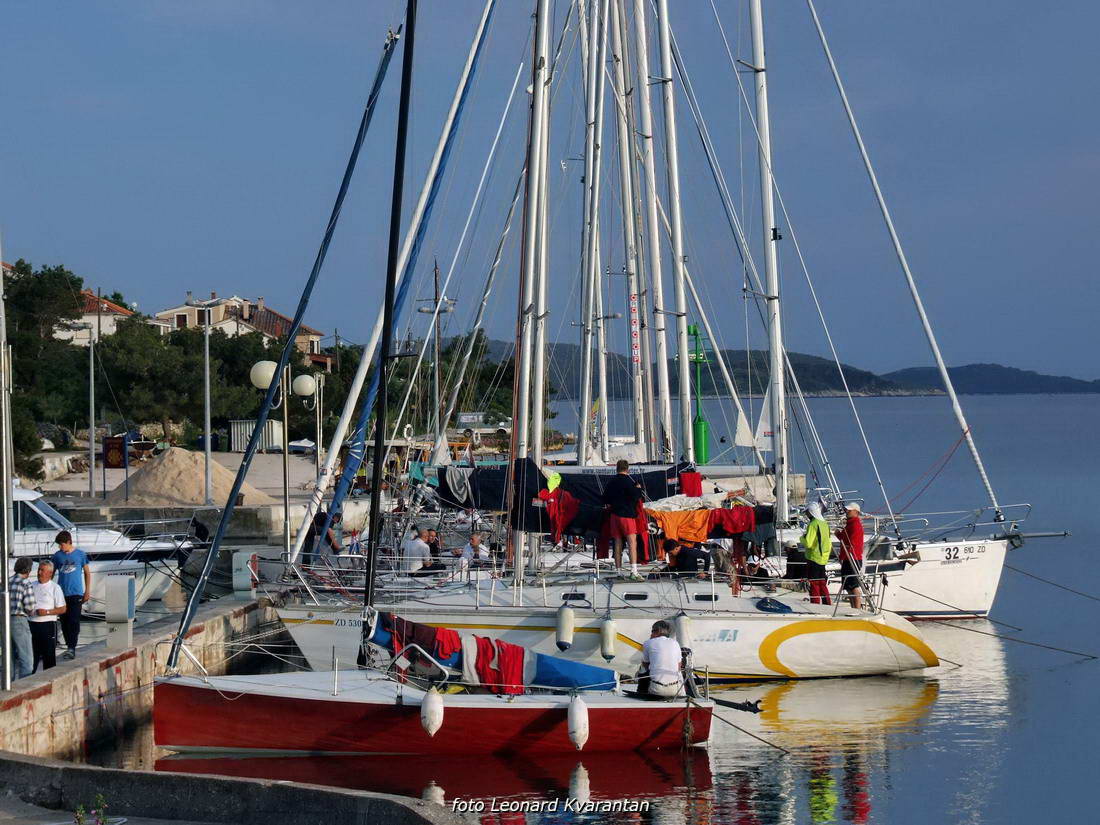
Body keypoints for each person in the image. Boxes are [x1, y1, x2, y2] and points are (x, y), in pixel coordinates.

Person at [603, 459, 645, 580]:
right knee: (632, 543)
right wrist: (638, 488)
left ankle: (619, 572)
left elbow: (605, 499)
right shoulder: (629, 482)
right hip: (627, 515)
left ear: (616, 468)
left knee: (617, 543)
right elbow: (636, 496)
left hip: (614, 516)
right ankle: (634, 572)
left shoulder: (611, 482)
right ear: (627, 469)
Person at [51, 530, 91, 660]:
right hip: (61, 593)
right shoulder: (57, 556)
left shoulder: (80, 554)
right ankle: (69, 645)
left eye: (62, 544)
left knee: (74, 621)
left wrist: (87, 591)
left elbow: (87, 573)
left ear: (69, 542)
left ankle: (72, 647)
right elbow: (51, 573)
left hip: (76, 592)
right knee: (64, 621)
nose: (60, 547)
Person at [28, 560, 66, 672]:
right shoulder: (31, 585)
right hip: (32, 624)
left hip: (48, 625)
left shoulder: (55, 588)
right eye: (39, 569)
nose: (39, 572)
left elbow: (63, 609)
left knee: (48, 656)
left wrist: (47, 612)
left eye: (42, 570)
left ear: (50, 573)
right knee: (31, 656)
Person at [6, 557, 36, 679]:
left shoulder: (7, 582)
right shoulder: (25, 583)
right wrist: (32, 611)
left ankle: (8, 686)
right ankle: (24, 685)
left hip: (5, 621)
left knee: (9, 659)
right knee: (26, 659)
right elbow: (30, 606)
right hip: (19, 620)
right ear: (28, 570)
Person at [639, 620, 683, 698]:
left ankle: (641, 692)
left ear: (658, 631)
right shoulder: (675, 643)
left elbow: (645, 664)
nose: (651, 634)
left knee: (642, 668)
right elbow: (679, 667)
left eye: (652, 631)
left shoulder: (648, 643)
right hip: (675, 690)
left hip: (657, 690)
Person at [800, 501, 832, 605]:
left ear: (811, 512)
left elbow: (808, 543)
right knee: (822, 583)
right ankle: (827, 604)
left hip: (813, 557)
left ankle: (815, 605)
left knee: (814, 583)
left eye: (807, 512)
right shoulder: (825, 524)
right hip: (823, 558)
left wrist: (802, 538)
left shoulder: (813, 524)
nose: (806, 514)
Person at [836, 502, 865, 609]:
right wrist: (839, 534)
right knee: (848, 585)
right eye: (847, 510)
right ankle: (854, 607)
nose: (846, 511)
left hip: (854, 558)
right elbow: (845, 539)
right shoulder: (849, 524)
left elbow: (852, 542)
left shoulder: (855, 524)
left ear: (856, 512)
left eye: (849, 510)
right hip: (848, 558)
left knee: (853, 585)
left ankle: (857, 608)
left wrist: (847, 552)